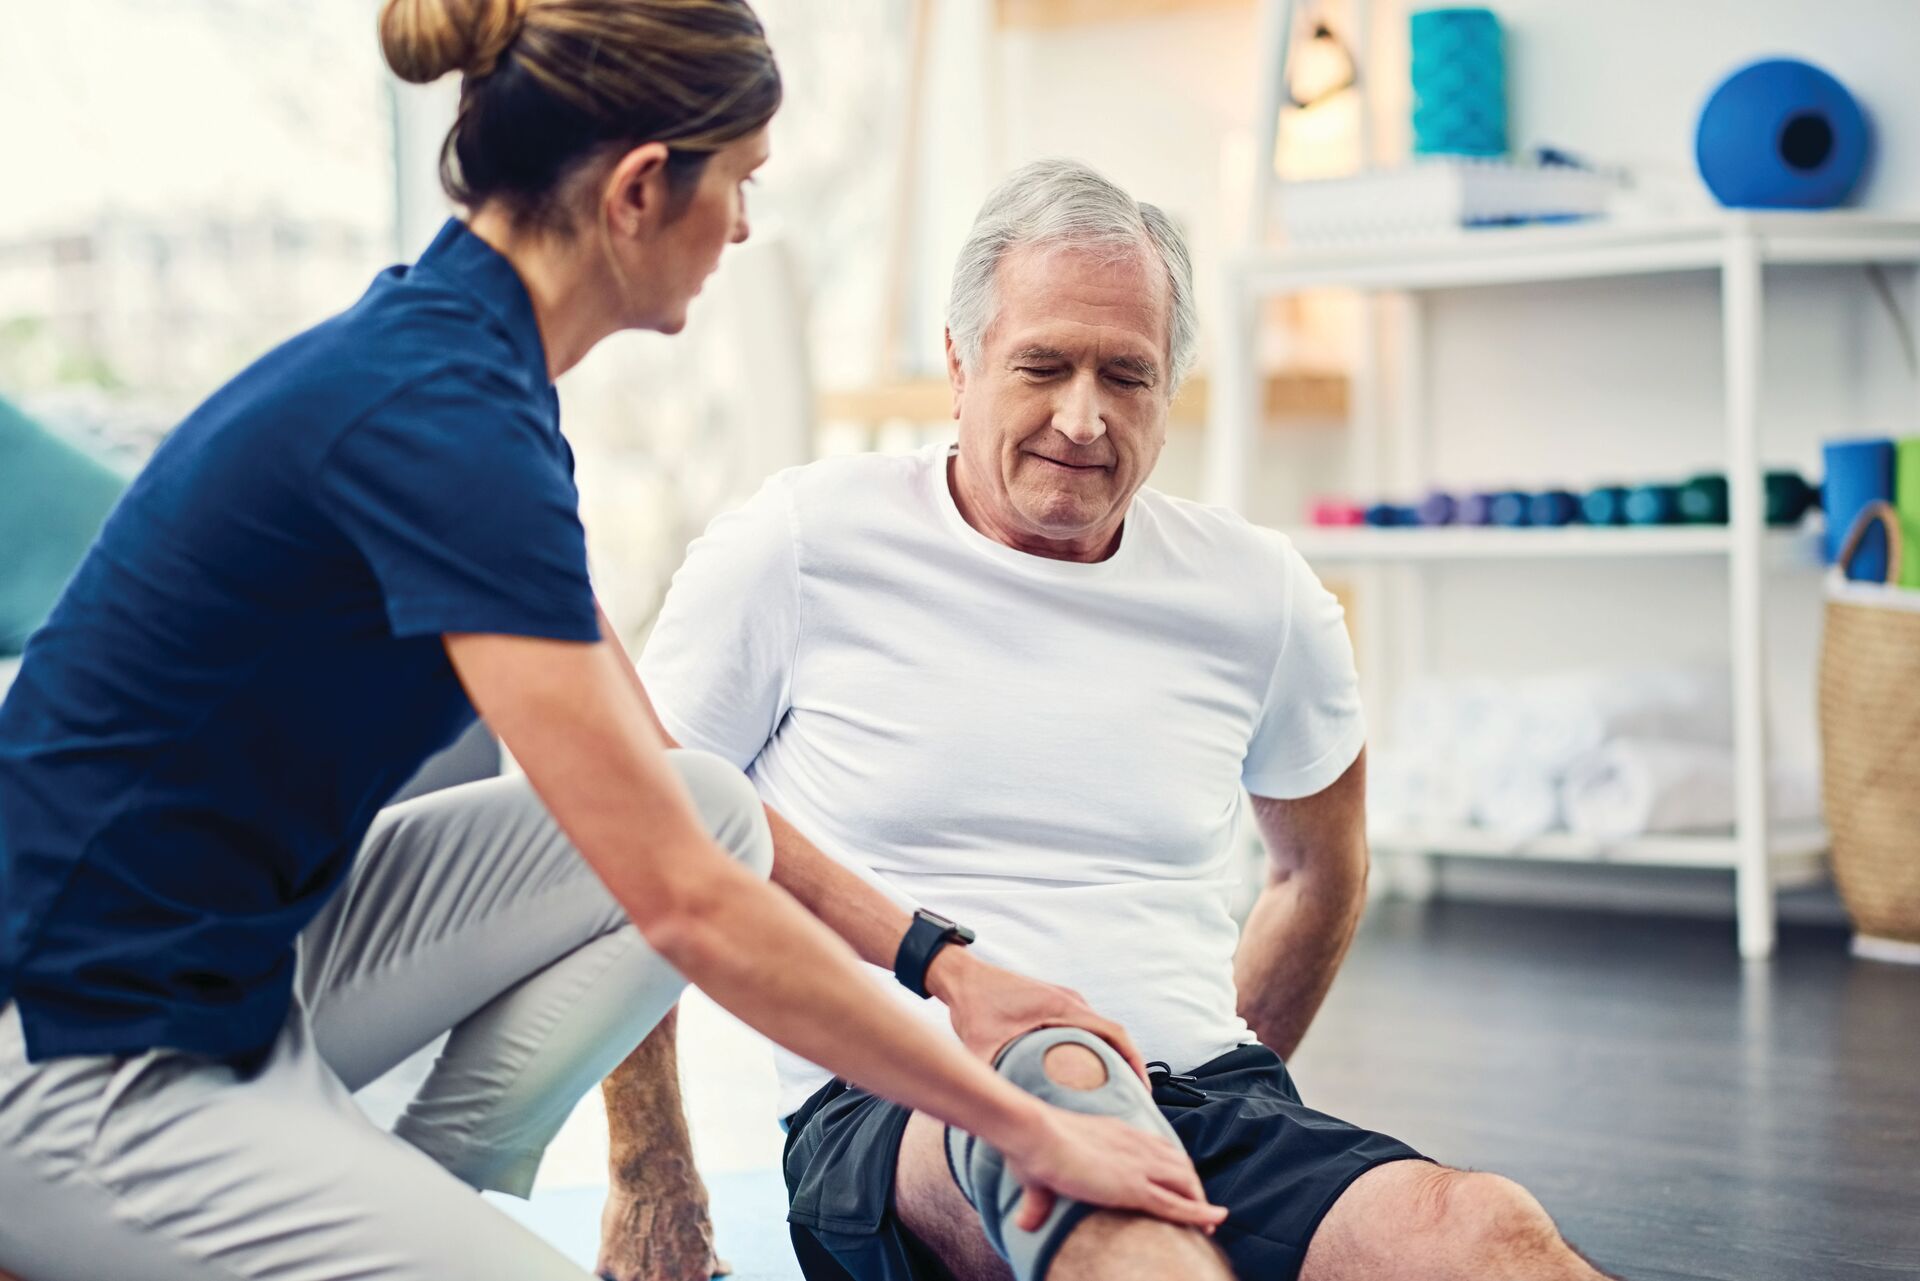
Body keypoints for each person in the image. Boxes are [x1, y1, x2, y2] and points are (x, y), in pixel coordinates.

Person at [0, 7, 1224, 1277]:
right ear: (644, 190)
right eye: (739, 181)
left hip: (234, 967)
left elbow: (658, 778)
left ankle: (412, 1197)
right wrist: (1026, 1128)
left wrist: (942, 962)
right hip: (71, 1039)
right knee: (689, 849)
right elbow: (682, 905)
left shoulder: (464, 369)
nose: (743, 228)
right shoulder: (444, 427)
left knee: (708, 800)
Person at [605, 158, 1627, 1281]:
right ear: (960, 360)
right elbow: (632, 829)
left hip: (1201, 1094)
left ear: (1171, 388)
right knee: (1087, 1155)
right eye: (1042, 366)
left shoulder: (1260, 592)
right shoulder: (799, 545)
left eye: (1127, 377)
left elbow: (1315, 876)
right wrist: (652, 1170)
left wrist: (1198, 1075)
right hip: (898, 1118)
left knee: (1483, 1232)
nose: (1083, 419)